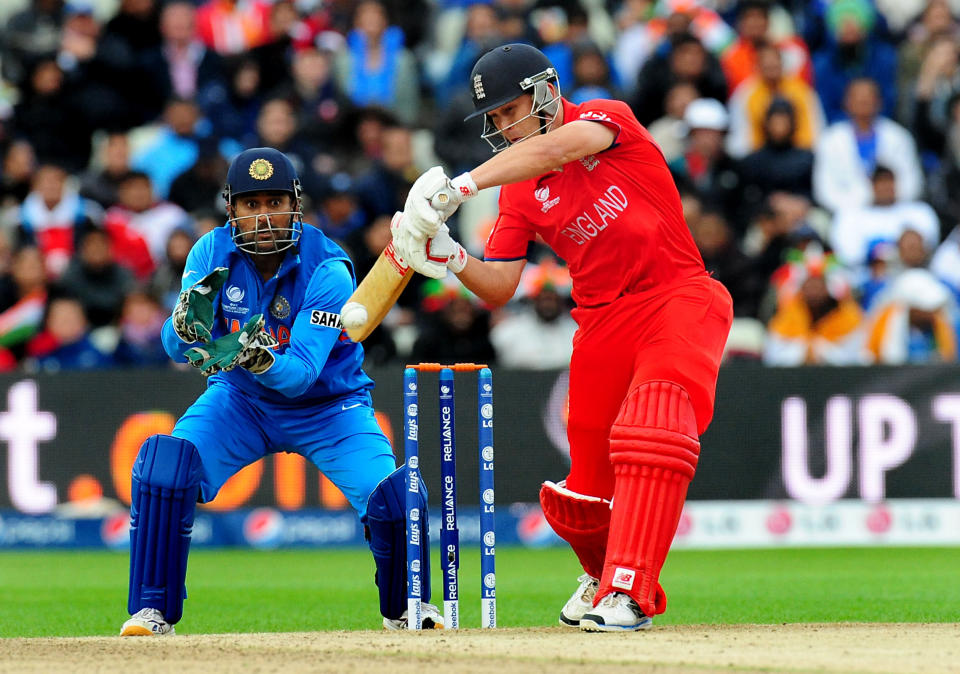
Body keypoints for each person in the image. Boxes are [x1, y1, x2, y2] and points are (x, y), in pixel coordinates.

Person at [390, 43, 733, 632]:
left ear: (545, 91)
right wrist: (449, 257)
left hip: (677, 296)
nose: (502, 127)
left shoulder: (606, 119)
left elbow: (555, 147)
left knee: (651, 428)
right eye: (492, 120)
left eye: (508, 110)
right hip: (600, 324)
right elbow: (499, 286)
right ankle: (603, 576)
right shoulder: (520, 191)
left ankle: (630, 591)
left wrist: (456, 188)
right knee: (581, 496)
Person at [119, 147, 442, 637]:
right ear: (232, 210)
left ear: (296, 205)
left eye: (274, 202)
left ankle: (406, 609)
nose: (264, 216)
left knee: (396, 499)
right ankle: (152, 612)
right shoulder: (209, 252)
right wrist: (182, 326)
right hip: (240, 401)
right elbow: (172, 345)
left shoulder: (328, 268)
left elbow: (302, 375)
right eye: (251, 205)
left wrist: (257, 355)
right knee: (165, 467)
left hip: (330, 407)